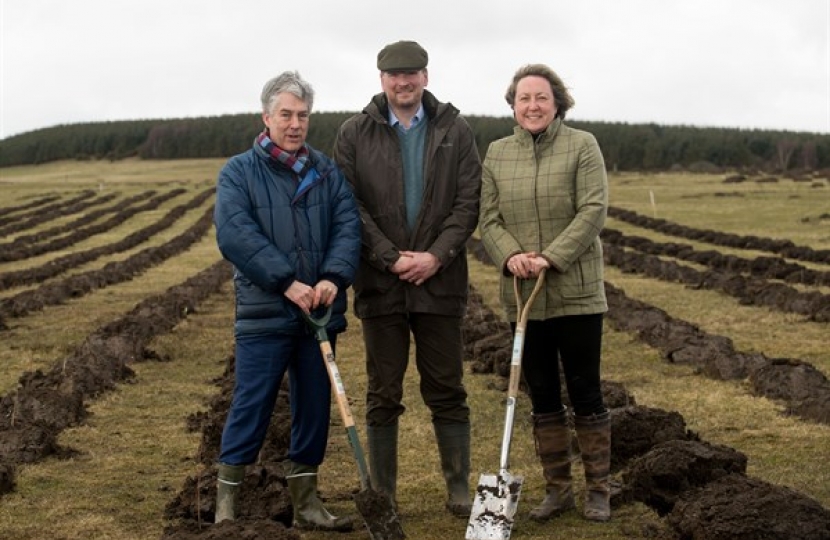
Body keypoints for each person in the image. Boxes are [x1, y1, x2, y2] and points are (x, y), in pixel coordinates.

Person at [333, 40, 482, 518]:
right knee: (383, 391)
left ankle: (459, 487)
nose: (404, 81)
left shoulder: (455, 130)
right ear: (381, 80)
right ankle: (386, 494)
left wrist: (436, 257)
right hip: (382, 284)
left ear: (426, 76)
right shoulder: (354, 133)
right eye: (395, 75)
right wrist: (389, 257)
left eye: (412, 73)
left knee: (446, 386)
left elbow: (468, 203)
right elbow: (348, 205)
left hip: (440, 282)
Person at [212, 70, 361, 532]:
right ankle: (227, 505)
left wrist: (333, 278)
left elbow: (347, 226)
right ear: (266, 116)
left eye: (302, 115)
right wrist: (287, 283)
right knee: (252, 404)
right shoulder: (239, 171)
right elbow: (235, 234)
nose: (295, 124)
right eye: (286, 114)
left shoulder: (325, 170)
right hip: (267, 312)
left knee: (315, 406)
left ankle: (308, 503)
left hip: (318, 314)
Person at [477, 63, 611, 523]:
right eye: (523, 99)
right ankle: (558, 490)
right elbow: (488, 218)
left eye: (541, 98)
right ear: (512, 105)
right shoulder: (496, 154)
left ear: (557, 103)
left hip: (575, 291)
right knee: (543, 396)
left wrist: (550, 257)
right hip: (523, 296)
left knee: (585, 390)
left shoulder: (582, 146)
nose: (531, 106)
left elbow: (593, 209)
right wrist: (511, 254)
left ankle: (598, 489)